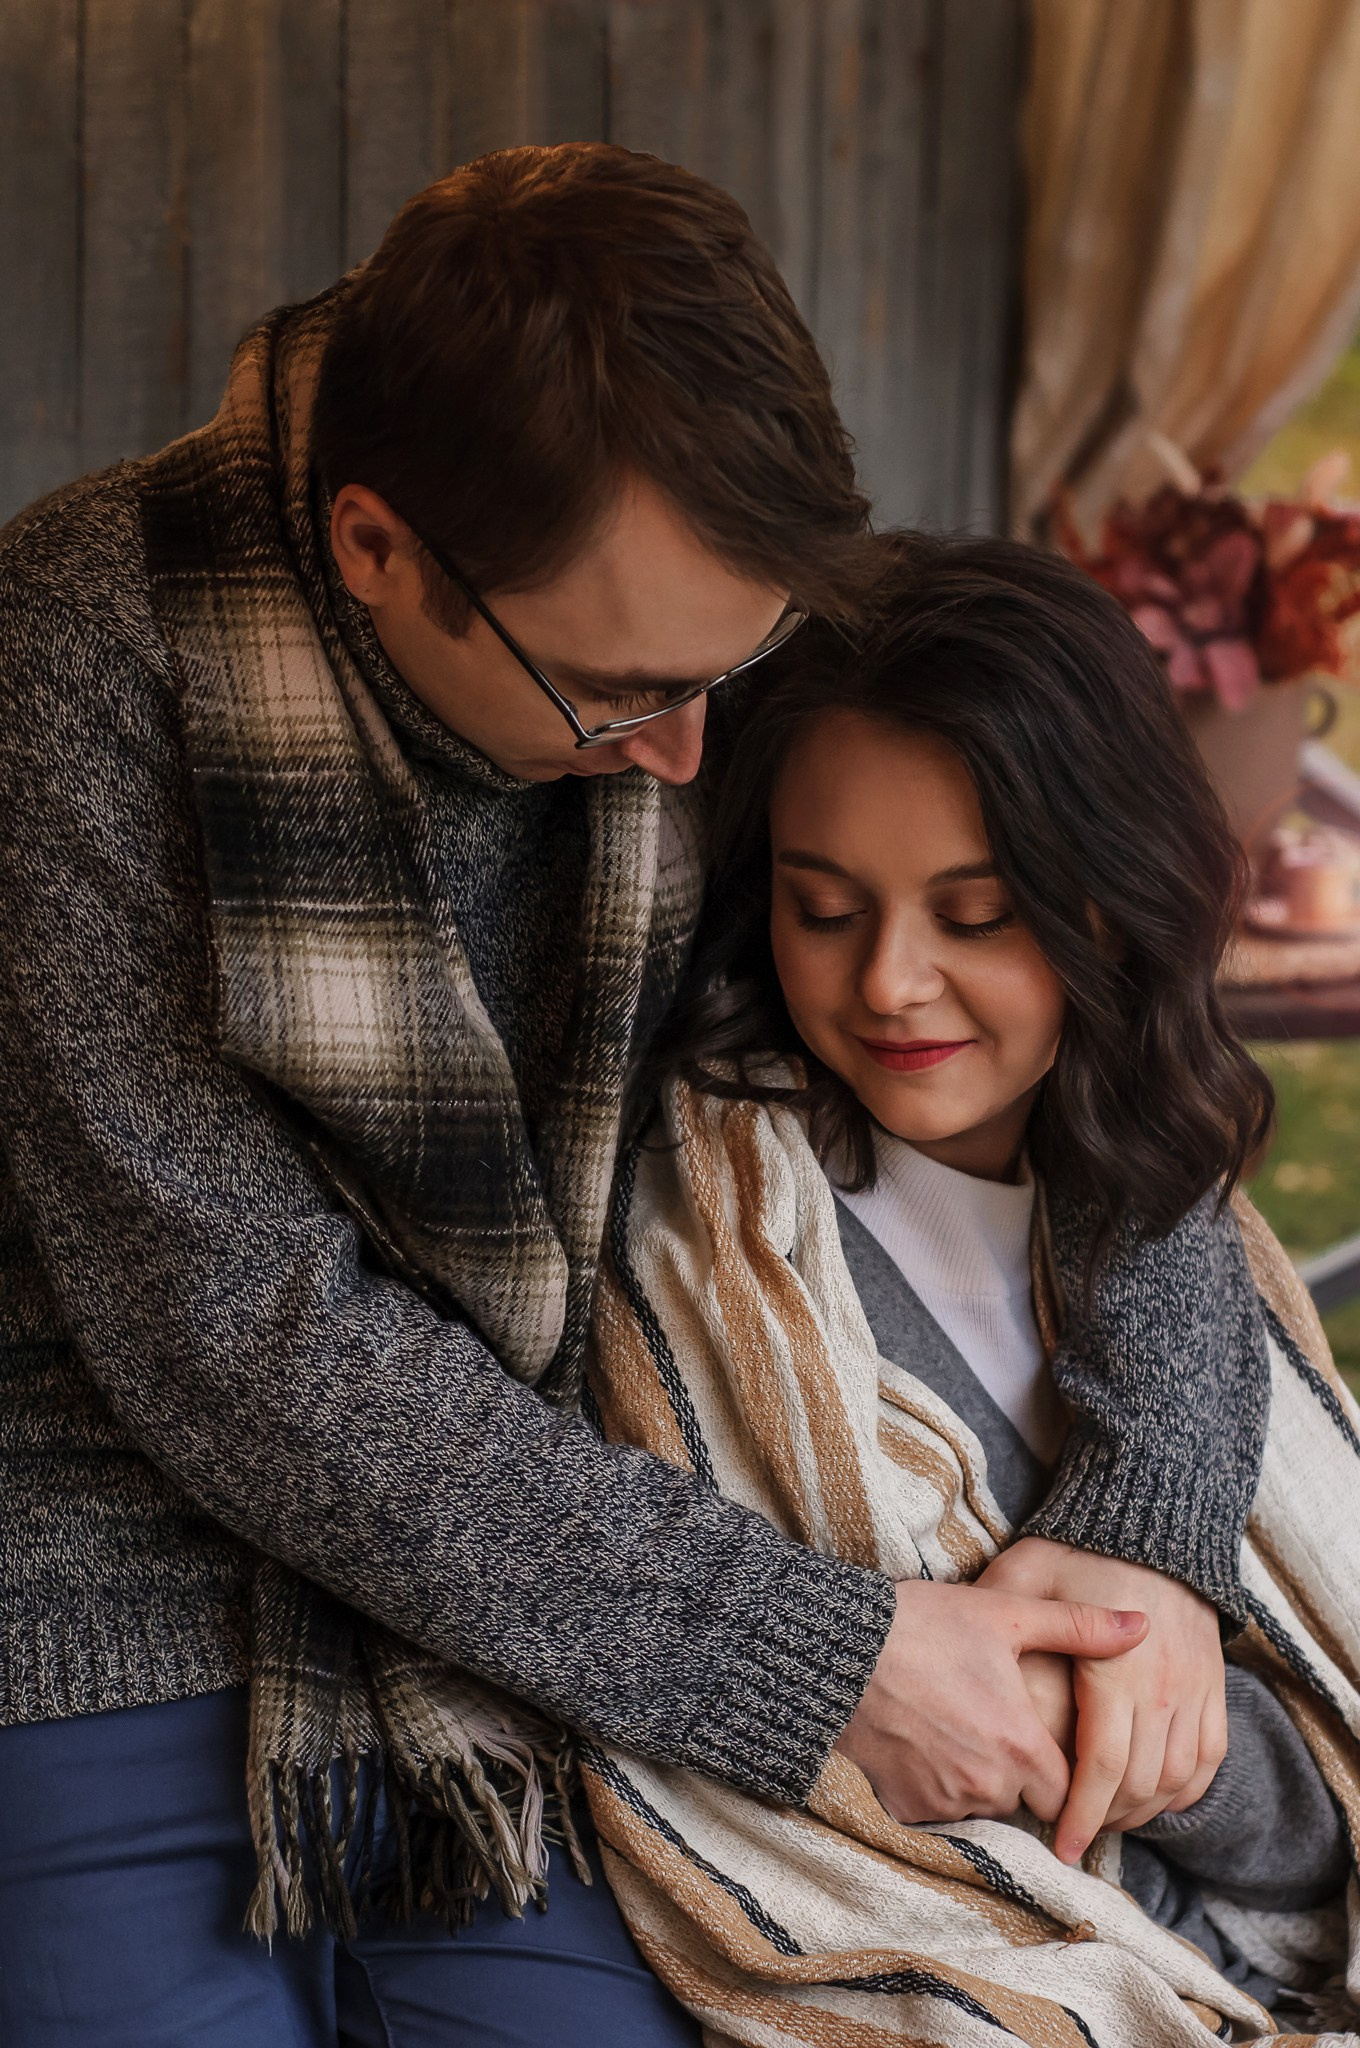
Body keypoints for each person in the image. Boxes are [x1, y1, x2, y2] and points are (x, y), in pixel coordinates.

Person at [0, 146, 1269, 2047]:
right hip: (117, 1570)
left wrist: (1157, 1533)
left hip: (577, 1553)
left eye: (731, 667)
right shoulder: (76, 661)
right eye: (619, 697)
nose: (687, 754)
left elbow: (1108, 1052)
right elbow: (231, 1333)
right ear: (377, 553)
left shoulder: (712, 603)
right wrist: (814, 1661)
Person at [584, 532, 1359, 2044]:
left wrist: (1180, 1752)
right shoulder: (712, 1251)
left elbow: (1321, 1834)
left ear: (1106, 899)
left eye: (977, 914)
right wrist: (1146, 1740)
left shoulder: (1172, 1235)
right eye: (826, 909)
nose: (888, 982)